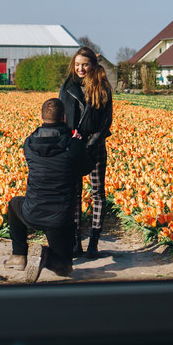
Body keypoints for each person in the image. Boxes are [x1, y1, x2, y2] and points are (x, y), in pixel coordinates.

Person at [4, 97, 88, 283]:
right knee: (64, 268)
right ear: (64, 117)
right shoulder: (73, 146)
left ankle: (19, 255)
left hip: (31, 212)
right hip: (60, 219)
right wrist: (79, 144)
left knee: (13, 204)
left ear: (41, 116)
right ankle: (44, 255)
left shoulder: (29, 143)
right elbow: (85, 169)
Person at [58, 46, 113, 258]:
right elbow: (61, 117)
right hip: (72, 148)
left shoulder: (102, 88)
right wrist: (69, 140)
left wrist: (89, 143)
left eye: (85, 64)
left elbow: (105, 122)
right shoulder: (67, 86)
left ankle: (94, 241)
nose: (80, 68)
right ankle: (75, 242)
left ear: (92, 65)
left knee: (97, 193)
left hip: (95, 147)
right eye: (77, 64)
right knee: (74, 194)